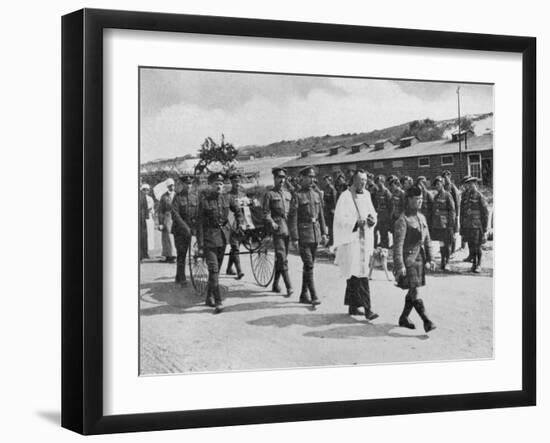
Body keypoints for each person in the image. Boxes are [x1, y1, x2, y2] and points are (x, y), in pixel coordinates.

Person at [332, 169, 379, 320]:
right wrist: (354, 223)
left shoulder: (367, 195)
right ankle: (368, 309)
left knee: (358, 272)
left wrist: (372, 220)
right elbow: (339, 220)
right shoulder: (345, 197)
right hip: (351, 240)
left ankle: (353, 306)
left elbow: (373, 213)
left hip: (364, 240)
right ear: (353, 181)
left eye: (365, 181)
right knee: (359, 274)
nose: (363, 184)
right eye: (360, 181)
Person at [197, 172, 244, 313]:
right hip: (209, 240)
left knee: (215, 272)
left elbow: (238, 211)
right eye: (216, 184)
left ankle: (208, 297)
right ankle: (218, 302)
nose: (219, 186)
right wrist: (200, 245)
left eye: (221, 183)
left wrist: (239, 223)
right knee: (214, 270)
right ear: (210, 185)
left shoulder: (227, 198)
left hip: (223, 238)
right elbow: (199, 225)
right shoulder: (205, 201)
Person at [393, 185, 437, 332]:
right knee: (415, 291)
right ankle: (427, 321)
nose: (420, 201)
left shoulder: (421, 217)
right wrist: (400, 266)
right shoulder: (402, 220)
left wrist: (431, 259)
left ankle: (404, 318)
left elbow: (427, 240)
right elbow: (397, 246)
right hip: (408, 260)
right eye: (416, 199)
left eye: (421, 199)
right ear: (409, 200)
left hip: (419, 258)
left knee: (413, 290)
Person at [289, 166, 328, 305]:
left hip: (315, 234)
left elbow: (321, 215)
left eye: (313, 177)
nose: (312, 180)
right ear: (302, 178)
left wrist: (324, 232)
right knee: (309, 264)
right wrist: (294, 238)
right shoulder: (297, 195)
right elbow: (292, 218)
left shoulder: (317, 194)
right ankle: (314, 295)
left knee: (309, 266)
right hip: (303, 234)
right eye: (309, 177)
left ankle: (303, 294)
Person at [263, 167, 294, 297]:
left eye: (283, 178)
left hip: (287, 229)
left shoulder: (288, 194)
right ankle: (289, 286)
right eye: (279, 178)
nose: (281, 180)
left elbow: (292, 213)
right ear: (274, 179)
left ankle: (275, 284)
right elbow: (265, 213)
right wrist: (272, 222)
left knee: (282, 258)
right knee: (282, 257)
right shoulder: (269, 194)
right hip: (277, 229)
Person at [171, 175, 198, 285]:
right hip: (180, 230)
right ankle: (181, 277)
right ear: (182, 184)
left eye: (190, 183)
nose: (189, 185)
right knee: (182, 253)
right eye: (186, 183)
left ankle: (178, 275)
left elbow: (197, 212)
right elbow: (175, 214)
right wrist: (186, 228)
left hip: (192, 228)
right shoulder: (177, 198)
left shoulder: (194, 197)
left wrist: (195, 225)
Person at [460, 176, 489, 273]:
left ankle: (479, 264)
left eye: (471, 184)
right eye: (468, 184)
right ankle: (474, 264)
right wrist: (462, 225)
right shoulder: (466, 196)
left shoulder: (480, 196)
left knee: (477, 246)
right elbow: (462, 212)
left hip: (477, 225)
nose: (469, 186)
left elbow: (485, 213)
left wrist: (484, 229)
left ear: (475, 184)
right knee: (471, 245)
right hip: (468, 225)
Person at [225, 173, 248, 279]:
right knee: (235, 245)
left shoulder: (243, 194)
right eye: (235, 182)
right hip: (232, 222)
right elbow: (227, 212)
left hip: (243, 221)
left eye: (238, 181)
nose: (237, 184)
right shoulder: (228, 196)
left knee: (235, 246)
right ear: (231, 183)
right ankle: (239, 271)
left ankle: (229, 268)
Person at [431, 176, 456, 271]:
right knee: (441, 245)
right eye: (435, 184)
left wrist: (451, 224)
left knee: (448, 244)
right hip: (438, 225)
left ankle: (448, 262)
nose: (437, 186)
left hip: (446, 225)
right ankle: (442, 261)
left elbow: (452, 210)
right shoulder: (436, 196)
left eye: (438, 184)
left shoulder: (447, 195)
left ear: (442, 184)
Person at [158, 178, 177, 263]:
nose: (171, 187)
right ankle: (167, 255)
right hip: (167, 217)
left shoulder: (177, 195)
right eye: (170, 186)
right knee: (166, 237)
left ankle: (174, 255)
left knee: (173, 237)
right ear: (167, 187)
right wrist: (161, 222)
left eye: (173, 185)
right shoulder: (164, 197)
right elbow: (160, 210)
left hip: (176, 217)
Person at [372, 174, 393, 249]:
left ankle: (385, 248)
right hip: (378, 215)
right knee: (376, 231)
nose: (378, 183)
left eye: (379, 182)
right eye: (377, 182)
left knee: (384, 232)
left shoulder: (387, 192)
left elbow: (391, 205)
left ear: (383, 182)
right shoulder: (376, 192)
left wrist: (389, 216)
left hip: (385, 215)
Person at [442, 170, 460, 254]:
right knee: (446, 232)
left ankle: (452, 250)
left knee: (452, 232)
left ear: (450, 177)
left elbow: (457, 201)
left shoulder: (453, 187)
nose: (446, 178)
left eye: (447, 176)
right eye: (444, 177)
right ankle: (447, 248)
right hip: (445, 214)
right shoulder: (443, 187)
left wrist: (457, 215)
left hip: (453, 213)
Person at [322, 175, 338, 247]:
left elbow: (335, 200)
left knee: (332, 226)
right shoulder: (325, 188)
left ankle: (332, 241)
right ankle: (331, 240)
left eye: (326, 180)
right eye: (324, 181)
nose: (325, 182)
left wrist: (334, 209)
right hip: (327, 210)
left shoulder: (332, 189)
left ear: (329, 181)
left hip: (331, 210)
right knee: (329, 226)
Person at [142, 184, 156, 256]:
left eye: (147, 190)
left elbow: (152, 208)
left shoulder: (150, 198)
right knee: (143, 235)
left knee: (150, 235)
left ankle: (147, 251)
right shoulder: (140, 197)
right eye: (144, 190)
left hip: (149, 217)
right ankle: (143, 251)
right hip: (143, 217)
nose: (146, 191)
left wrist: (154, 218)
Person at [139, 183, 149, 261]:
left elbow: (145, 206)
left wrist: (146, 216)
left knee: (142, 236)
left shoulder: (142, 195)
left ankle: (142, 255)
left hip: (141, 218)